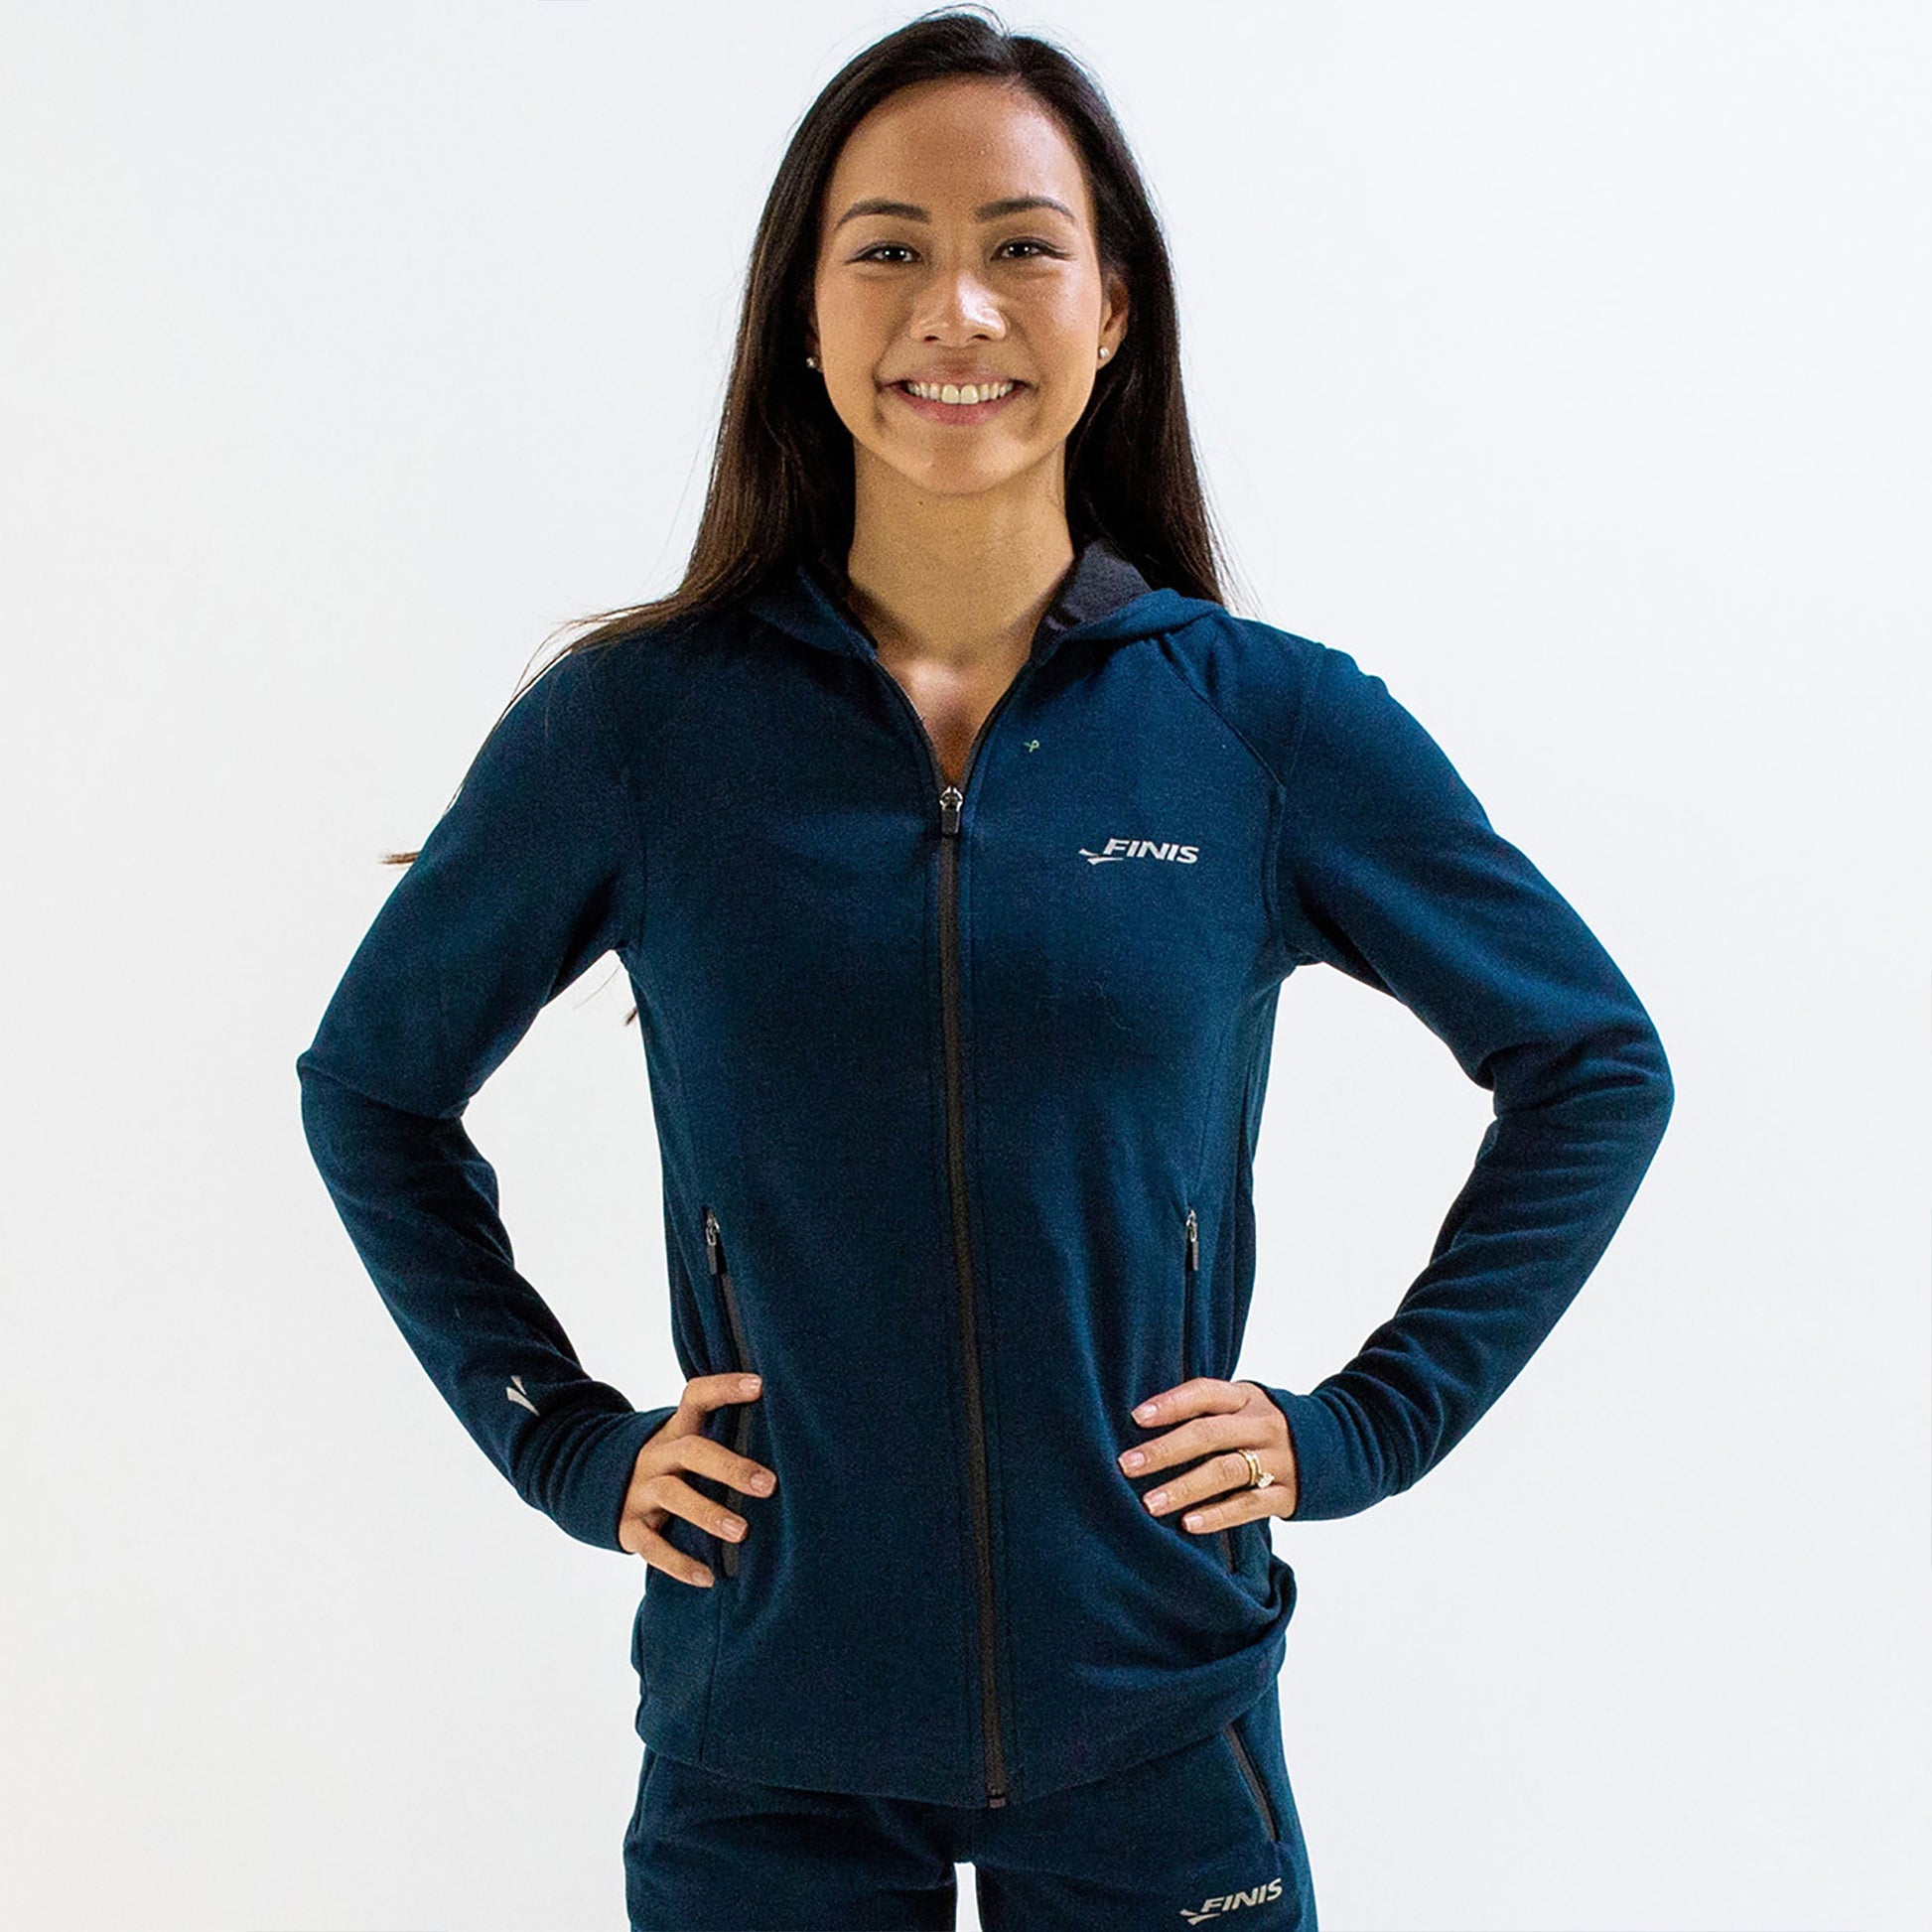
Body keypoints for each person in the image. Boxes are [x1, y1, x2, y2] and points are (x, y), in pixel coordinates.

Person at [294, 8, 1674, 1928]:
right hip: (765, 1732)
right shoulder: (640, 729)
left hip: (1157, 1721)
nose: (956, 307)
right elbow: (370, 1084)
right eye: (888, 248)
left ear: (1112, 312)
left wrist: (1364, 1423)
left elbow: (1592, 1061)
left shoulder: (1257, 725)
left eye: (1022, 245)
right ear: (804, 313)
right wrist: (558, 1437)